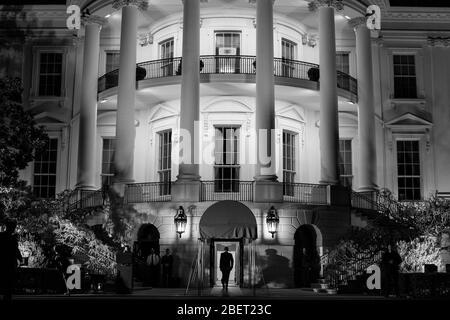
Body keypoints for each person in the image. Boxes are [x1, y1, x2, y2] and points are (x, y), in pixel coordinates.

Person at [0, 220, 22, 301]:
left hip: (3, 262)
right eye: (14, 227)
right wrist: (20, 258)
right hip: (9, 262)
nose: (14, 229)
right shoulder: (12, 238)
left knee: (5, 281)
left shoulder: (2, 236)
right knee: (8, 283)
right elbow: (15, 250)